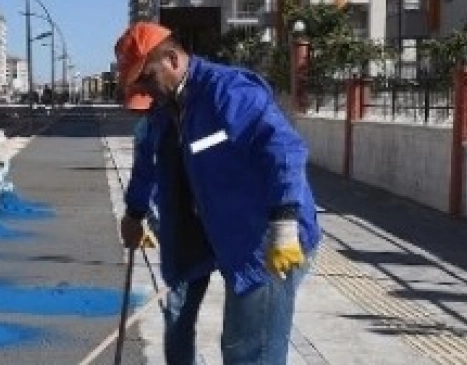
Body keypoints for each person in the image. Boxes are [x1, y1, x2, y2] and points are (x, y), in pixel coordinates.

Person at [115, 21, 320, 365]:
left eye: (147, 78)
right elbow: (149, 161)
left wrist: (284, 223)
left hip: (267, 243)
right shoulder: (166, 111)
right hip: (219, 232)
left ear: (171, 59)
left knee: (249, 352)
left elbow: (285, 149)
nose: (145, 90)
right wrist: (135, 212)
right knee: (206, 331)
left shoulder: (229, 92)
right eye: (137, 84)